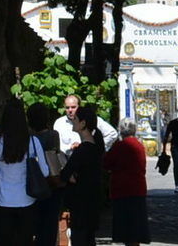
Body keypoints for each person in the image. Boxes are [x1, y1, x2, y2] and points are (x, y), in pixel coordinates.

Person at [0, 97, 46, 244]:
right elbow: (45, 172)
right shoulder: (33, 141)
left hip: (4, 200)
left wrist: (3, 172)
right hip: (27, 199)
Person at [61, 109, 106, 246]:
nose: (72, 122)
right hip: (92, 203)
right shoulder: (95, 148)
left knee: (80, 239)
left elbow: (65, 174)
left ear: (83, 123)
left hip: (80, 204)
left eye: (75, 119)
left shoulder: (82, 150)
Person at [103, 118, 151, 244]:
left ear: (120, 130)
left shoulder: (120, 146)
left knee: (125, 227)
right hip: (138, 188)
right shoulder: (139, 145)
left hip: (122, 189)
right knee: (136, 226)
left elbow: (106, 163)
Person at [27, 102, 66, 246]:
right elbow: (54, 158)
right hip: (51, 184)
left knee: (35, 224)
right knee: (49, 226)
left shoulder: (29, 137)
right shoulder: (52, 135)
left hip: (33, 184)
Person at [53, 91, 118, 154]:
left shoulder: (92, 119)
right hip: (68, 159)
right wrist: (70, 147)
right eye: (67, 108)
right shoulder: (59, 123)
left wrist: (95, 148)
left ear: (79, 107)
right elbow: (57, 146)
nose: (70, 110)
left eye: (73, 107)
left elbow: (112, 134)